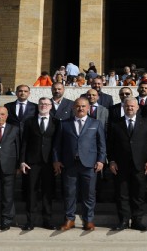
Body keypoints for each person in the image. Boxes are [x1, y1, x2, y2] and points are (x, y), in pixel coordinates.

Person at [53, 97, 106, 231]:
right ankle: (69, 219)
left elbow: (102, 145)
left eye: (83, 106)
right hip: (69, 164)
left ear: (88, 108)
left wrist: (100, 160)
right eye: (77, 106)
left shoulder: (96, 123)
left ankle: (88, 220)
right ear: (73, 108)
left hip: (89, 165)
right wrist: (56, 160)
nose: (80, 108)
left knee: (88, 194)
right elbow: (56, 145)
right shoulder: (64, 123)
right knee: (70, 193)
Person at [107, 98, 147, 231]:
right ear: (123, 107)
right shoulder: (115, 124)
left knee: (138, 194)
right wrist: (111, 160)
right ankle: (123, 220)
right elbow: (110, 144)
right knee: (122, 194)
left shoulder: (146, 123)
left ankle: (137, 220)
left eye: (132, 106)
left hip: (140, 165)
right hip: (120, 165)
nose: (130, 108)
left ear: (137, 107)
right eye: (127, 106)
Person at [20, 97, 58, 230]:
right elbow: (24, 142)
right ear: (38, 106)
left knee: (47, 192)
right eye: (41, 104)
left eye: (46, 104)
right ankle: (30, 221)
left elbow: (58, 143)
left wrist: (57, 160)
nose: (44, 106)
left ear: (51, 106)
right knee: (31, 191)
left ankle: (47, 220)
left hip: (49, 162)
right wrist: (22, 160)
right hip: (32, 162)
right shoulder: (29, 121)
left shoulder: (56, 122)